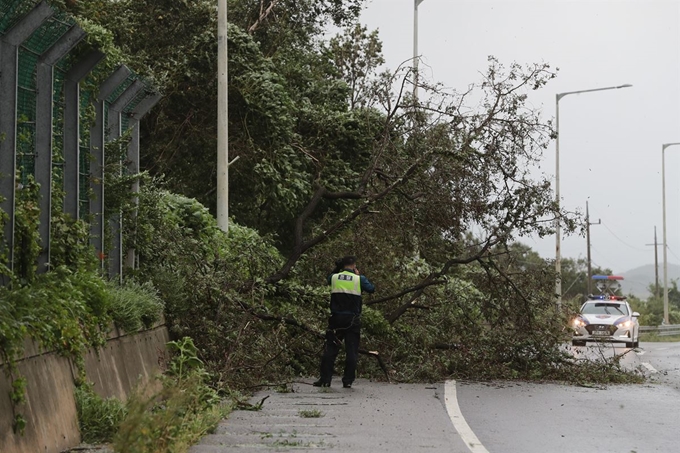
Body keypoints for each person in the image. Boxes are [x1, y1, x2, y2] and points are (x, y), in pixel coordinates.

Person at [313, 255, 375, 388]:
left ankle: (325, 379)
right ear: (354, 266)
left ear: (342, 266)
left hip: (336, 319)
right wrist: (358, 275)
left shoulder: (334, 277)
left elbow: (329, 278)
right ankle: (347, 381)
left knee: (330, 348)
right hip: (352, 320)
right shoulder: (359, 279)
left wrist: (337, 268)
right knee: (351, 350)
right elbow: (371, 289)